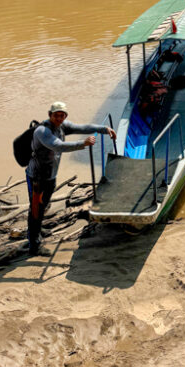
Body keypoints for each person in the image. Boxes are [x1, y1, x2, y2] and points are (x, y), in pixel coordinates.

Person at [26, 101, 116, 256]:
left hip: (50, 176)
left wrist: (104, 129)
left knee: (43, 206)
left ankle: (38, 229)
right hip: (37, 178)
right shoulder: (42, 131)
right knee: (35, 210)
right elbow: (58, 146)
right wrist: (83, 143)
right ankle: (34, 246)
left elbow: (83, 127)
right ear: (49, 115)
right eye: (56, 115)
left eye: (62, 115)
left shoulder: (62, 126)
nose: (59, 119)